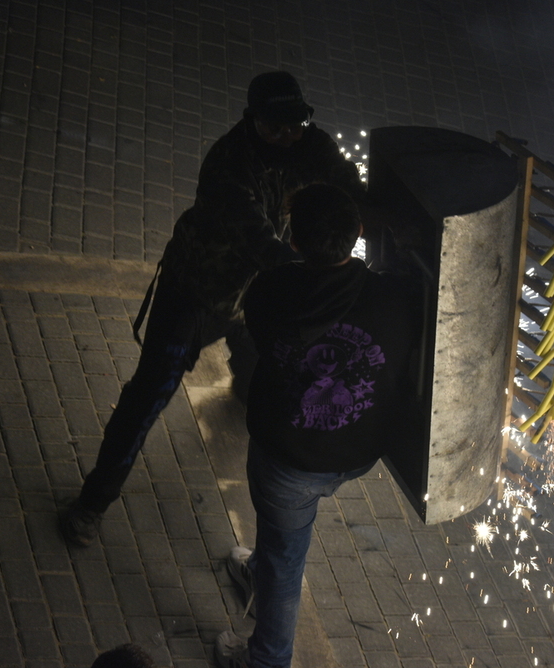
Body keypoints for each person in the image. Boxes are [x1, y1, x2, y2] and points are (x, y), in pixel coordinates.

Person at [59, 72, 367, 547]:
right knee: (147, 396)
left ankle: (243, 391)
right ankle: (92, 503)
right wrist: (335, 270)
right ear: (253, 121)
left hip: (253, 300)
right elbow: (267, 249)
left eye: (295, 126)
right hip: (197, 293)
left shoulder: (313, 146)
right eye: (275, 129)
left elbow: (351, 190)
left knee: (254, 371)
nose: (287, 137)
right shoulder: (229, 165)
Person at [215, 184, 423, 668]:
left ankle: (266, 660)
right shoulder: (397, 296)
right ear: (358, 232)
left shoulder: (273, 288)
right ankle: (260, 576)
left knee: (288, 555)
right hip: (355, 452)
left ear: (294, 241)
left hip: (289, 462)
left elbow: (263, 341)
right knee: (279, 544)